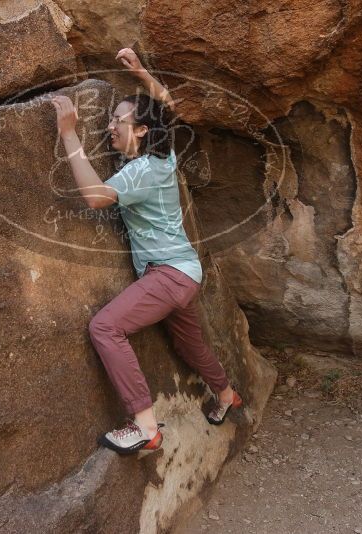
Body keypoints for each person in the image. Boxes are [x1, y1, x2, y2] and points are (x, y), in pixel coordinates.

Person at [50, 48, 242, 455]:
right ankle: (227, 396)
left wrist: (69, 134)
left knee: (106, 327)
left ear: (139, 130)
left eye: (117, 121)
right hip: (183, 274)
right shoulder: (163, 157)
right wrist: (142, 74)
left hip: (169, 275)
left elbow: (96, 197)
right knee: (191, 347)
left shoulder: (141, 170)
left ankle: (145, 428)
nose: (109, 127)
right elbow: (167, 107)